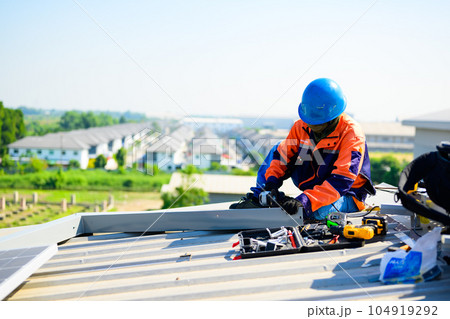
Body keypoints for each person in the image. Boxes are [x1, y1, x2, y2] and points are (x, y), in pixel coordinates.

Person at [230, 78, 375, 221]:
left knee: (315, 213)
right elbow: (282, 156)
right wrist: (271, 182)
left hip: (346, 193)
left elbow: (342, 181)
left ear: (332, 117)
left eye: (318, 124)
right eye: (310, 121)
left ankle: (302, 204)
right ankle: (261, 197)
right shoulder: (301, 125)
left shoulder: (352, 134)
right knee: (279, 148)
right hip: (315, 185)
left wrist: (305, 201)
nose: (311, 126)